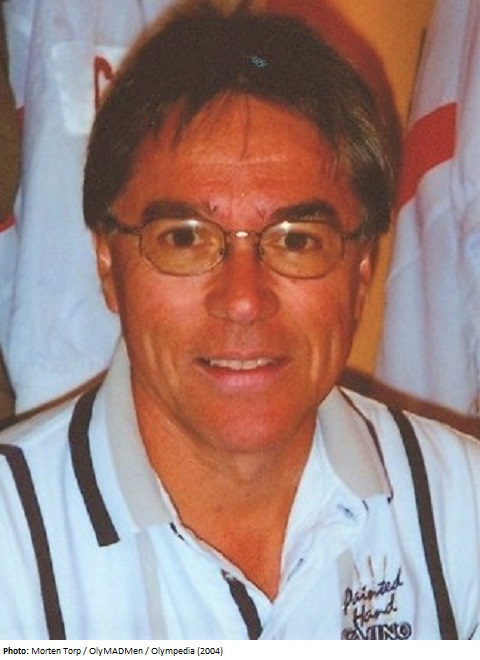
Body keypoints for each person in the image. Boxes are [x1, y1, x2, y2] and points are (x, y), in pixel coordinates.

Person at [1, 0, 479, 641]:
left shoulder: (462, 511)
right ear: (108, 266)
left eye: (297, 240)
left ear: (361, 271)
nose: (244, 299)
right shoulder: (13, 539)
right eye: (184, 238)